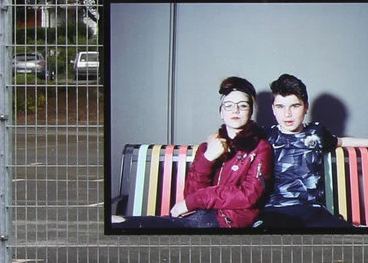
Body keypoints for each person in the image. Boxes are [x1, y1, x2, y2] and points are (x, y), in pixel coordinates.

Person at [113, 77, 271, 229]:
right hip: (199, 216)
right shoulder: (207, 147)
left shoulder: (261, 148)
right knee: (129, 223)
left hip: (229, 220)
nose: (235, 110)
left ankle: (126, 222)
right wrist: (207, 159)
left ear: (250, 111)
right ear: (221, 113)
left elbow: (248, 196)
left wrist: (196, 200)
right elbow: (191, 192)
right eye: (228, 105)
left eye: (242, 105)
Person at [256, 72, 351, 231]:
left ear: (306, 107)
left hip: (312, 211)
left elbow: (342, 141)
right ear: (273, 109)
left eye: (295, 106)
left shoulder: (316, 133)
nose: (287, 114)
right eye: (280, 107)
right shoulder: (265, 136)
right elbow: (232, 137)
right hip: (275, 211)